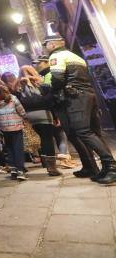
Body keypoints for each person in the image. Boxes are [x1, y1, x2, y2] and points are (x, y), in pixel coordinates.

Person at [43, 36, 116, 184]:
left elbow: (57, 79)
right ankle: (105, 167)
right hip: (88, 95)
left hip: (76, 98)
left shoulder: (56, 56)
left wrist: (51, 90)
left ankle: (111, 167)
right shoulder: (76, 56)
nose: (45, 48)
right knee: (94, 132)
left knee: (83, 132)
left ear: (51, 45)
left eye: (45, 46)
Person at [17, 65, 61, 176]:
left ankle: (45, 163)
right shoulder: (43, 86)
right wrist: (56, 117)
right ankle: (52, 168)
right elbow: (51, 101)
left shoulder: (19, 88)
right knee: (48, 140)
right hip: (44, 114)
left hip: (30, 116)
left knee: (40, 139)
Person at [0, 81, 28, 181]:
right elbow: (21, 111)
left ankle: (13, 169)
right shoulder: (12, 98)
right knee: (18, 148)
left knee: (9, 148)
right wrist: (24, 117)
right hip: (16, 126)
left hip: (3, 128)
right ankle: (20, 170)